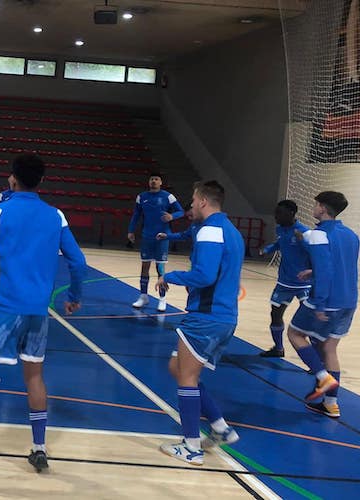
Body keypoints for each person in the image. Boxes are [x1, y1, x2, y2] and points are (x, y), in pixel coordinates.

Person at [0, 154, 87, 484]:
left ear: (12, 179)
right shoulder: (56, 215)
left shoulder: (1, 210)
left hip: (4, 310)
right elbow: (78, 262)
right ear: (40, 181)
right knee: (35, 378)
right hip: (39, 314)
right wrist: (73, 297)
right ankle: (39, 448)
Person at [156, 180, 243, 466]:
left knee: (188, 377)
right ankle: (220, 428)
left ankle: (191, 446)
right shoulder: (231, 231)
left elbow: (204, 276)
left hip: (206, 317)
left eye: (193, 200)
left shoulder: (210, 230)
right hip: (223, 317)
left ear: (204, 201)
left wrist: (170, 276)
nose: (191, 205)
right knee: (177, 368)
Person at [286, 191, 359, 419]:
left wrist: (318, 304)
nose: (314, 207)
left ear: (324, 208)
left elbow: (327, 271)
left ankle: (322, 377)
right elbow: (340, 266)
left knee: (295, 334)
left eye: (316, 204)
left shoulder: (317, 235)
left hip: (327, 300)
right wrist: (313, 271)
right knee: (329, 348)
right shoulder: (351, 235)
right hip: (349, 301)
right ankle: (331, 404)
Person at [258, 200, 311, 358]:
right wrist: (268, 249)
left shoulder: (304, 232)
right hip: (284, 283)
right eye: (276, 212)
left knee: (310, 321)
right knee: (275, 314)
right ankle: (278, 348)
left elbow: (316, 254)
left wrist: (313, 272)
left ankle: (316, 359)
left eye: (279, 213)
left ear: (291, 213)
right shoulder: (280, 229)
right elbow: (279, 244)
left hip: (305, 284)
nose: (276, 216)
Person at [128, 173, 184, 312]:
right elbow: (136, 215)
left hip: (162, 236)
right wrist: (131, 230)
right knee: (144, 266)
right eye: (152, 179)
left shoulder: (168, 196)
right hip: (147, 236)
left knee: (160, 269)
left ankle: (162, 298)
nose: (154, 181)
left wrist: (172, 216)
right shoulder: (142, 197)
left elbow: (181, 211)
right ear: (149, 181)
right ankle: (143, 296)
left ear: (161, 182)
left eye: (156, 179)